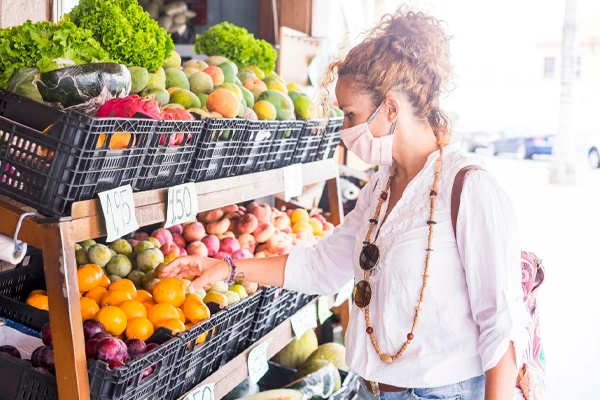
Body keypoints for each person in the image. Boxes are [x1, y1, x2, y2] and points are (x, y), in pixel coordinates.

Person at [161, 8, 528, 400]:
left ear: (390, 108)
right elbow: (322, 266)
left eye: (350, 114)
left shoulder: (468, 189)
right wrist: (227, 267)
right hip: (370, 389)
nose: (343, 130)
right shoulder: (381, 188)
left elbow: (501, 327)